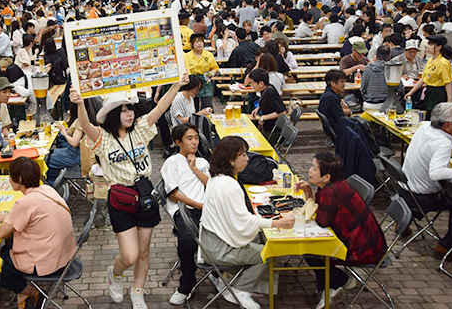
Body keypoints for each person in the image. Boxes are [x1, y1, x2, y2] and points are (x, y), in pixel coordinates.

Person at [71, 71, 189, 309]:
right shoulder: (102, 137)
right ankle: (114, 274)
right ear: (114, 113)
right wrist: (80, 104)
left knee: (144, 252)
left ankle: (138, 292)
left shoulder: (141, 128)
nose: (130, 113)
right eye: (124, 110)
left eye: (131, 109)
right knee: (130, 255)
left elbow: (160, 108)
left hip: (144, 196)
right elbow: (85, 124)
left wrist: (176, 84)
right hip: (120, 198)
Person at [200, 136, 295, 309]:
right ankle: (238, 289)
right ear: (231, 160)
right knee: (271, 251)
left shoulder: (217, 177)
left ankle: (236, 280)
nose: (247, 159)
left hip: (210, 241)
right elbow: (242, 221)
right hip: (219, 248)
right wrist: (277, 224)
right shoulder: (229, 184)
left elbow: (239, 220)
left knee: (262, 238)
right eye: (243, 155)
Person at [0, 157, 75, 308]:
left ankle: (31, 292)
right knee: (6, 250)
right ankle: (23, 294)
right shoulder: (46, 190)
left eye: (11, 176)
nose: (9, 179)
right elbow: (17, 217)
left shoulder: (26, 202)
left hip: (45, 262)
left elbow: (1, 234)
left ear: (20, 179)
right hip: (63, 256)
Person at [296, 153, 386, 309]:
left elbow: (322, 222)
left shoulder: (331, 192)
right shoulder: (336, 186)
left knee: (311, 253)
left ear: (326, 177)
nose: (309, 171)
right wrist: (309, 192)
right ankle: (330, 289)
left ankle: (341, 281)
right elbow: (320, 209)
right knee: (313, 250)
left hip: (362, 249)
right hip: (368, 242)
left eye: (314, 168)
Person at [398, 102, 452, 258]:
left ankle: (403, 221)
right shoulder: (443, 142)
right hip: (422, 198)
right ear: (447, 126)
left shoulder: (424, 126)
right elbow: (435, 173)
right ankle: (447, 245)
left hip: (404, 190)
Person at [161, 124, 210, 305]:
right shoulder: (172, 163)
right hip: (184, 209)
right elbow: (173, 194)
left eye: (196, 137)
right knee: (188, 240)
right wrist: (198, 205)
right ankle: (186, 284)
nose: (194, 142)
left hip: (206, 208)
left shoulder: (203, 162)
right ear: (178, 142)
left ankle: (222, 276)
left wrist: (195, 167)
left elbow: (212, 184)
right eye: (190, 138)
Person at [405, 35, 452, 119]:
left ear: (439, 47)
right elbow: (423, 78)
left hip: (439, 93)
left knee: (434, 117)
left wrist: (449, 100)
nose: (428, 47)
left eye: (431, 45)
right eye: (428, 44)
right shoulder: (430, 61)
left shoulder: (443, 62)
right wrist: (411, 92)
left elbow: (447, 83)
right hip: (429, 91)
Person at [245, 68, 287, 141]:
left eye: (252, 83)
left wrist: (263, 118)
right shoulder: (266, 89)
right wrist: (257, 108)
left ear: (261, 84)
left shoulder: (270, 92)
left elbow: (282, 112)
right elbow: (268, 103)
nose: (251, 85)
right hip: (268, 127)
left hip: (273, 131)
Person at [184, 33, 219, 111]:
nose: (199, 44)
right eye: (196, 42)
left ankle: (207, 122)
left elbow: (214, 67)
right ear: (192, 44)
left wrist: (211, 74)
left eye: (201, 42)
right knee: (193, 107)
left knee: (207, 105)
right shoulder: (187, 56)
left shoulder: (209, 55)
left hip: (205, 81)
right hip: (193, 82)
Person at [361, 46, 393, 111]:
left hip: (370, 104)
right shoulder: (392, 69)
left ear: (376, 56)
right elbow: (400, 89)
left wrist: (368, 98)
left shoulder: (368, 68)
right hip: (387, 105)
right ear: (389, 56)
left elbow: (363, 88)